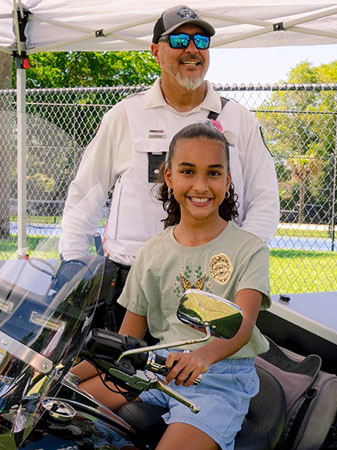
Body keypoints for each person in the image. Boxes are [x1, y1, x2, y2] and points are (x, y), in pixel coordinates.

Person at [58, 5, 278, 330]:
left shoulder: (238, 120)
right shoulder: (126, 114)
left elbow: (265, 200)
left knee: (192, 378)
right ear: (155, 51)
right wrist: (73, 258)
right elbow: (86, 191)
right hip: (129, 282)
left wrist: (236, 261)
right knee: (116, 374)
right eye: (179, 40)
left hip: (208, 288)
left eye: (201, 41)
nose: (192, 50)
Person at [74, 122, 271, 450]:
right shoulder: (152, 251)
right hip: (158, 367)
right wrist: (59, 374)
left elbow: (243, 326)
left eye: (213, 173)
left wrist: (203, 357)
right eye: (188, 171)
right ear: (169, 176)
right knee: (59, 410)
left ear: (227, 180)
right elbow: (131, 340)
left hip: (220, 380)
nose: (201, 185)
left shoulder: (249, 249)